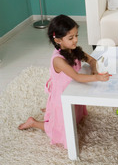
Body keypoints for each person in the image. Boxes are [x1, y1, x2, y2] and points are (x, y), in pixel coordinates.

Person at [18, 15, 110, 148]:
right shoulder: (58, 60)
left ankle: (50, 111)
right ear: (58, 40)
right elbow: (77, 77)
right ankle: (34, 122)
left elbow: (91, 60)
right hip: (62, 95)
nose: (76, 40)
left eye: (76, 35)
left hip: (73, 90)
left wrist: (94, 70)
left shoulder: (73, 50)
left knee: (74, 119)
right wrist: (97, 78)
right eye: (71, 38)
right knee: (59, 130)